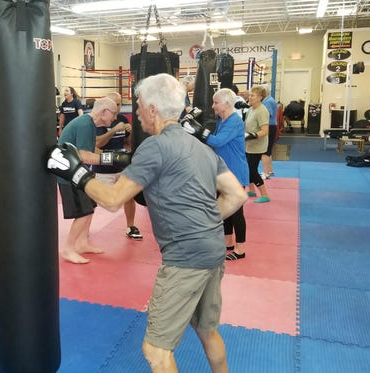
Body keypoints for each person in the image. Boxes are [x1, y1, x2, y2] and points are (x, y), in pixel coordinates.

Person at [46, 73, 247, 372]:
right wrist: (204, 225)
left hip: (186, 259)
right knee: (207, 331)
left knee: (155, 349)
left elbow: (113, 200)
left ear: (153, 108)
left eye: (138, 105)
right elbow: (236, 196)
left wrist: (77, 173)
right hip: (213, 251)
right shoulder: (203, 149)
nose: (135, 112)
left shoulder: (154, 146)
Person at [56, 97, 131, 264]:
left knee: (90, 207)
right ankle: (68, 249)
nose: (114, 118)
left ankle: (82, 243)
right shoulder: (85, 124)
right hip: (68, 174)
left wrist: (115, 155)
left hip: (78, 172)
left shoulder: (90, 125)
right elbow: (83, 155)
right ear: (104, 112)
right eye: (113, 114)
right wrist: (112, 159)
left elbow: (91, 149)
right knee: (83, 212)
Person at [206, 88, 250, 261]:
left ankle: (241, 249)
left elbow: (218, 141)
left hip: (235, 171)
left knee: (237, 211)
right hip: (222, 171)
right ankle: (227, 242)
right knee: (225, 207)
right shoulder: (222, 120)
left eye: (216, 102)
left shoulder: (234, 121)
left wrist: (199, 132)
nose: (213, 105)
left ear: (225, 103)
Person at [92, 92, 142, 240]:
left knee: (129, 196)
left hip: (121, 166)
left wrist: (132, 132)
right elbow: (96, 144)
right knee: (95, 199)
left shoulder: (121, 119)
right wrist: (113, 130)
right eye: (115, 104)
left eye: (120, 104)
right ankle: (84, 226)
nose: (118, 107)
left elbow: (127, 144)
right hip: (103, 168)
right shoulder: (97, 121)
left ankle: (130, 225)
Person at [245, 85, 271, 203]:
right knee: (247, 168)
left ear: (260, 97)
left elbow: (265, 131)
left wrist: (252, 135)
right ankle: (252, 190)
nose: (250, 97)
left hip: (257, 146)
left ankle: (265, 195)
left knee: (252, 170)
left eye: (253, 95)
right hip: (248, 144)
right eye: (249, 95)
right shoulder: (250, 109)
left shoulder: (262, 111)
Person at [260, 86, 279, 179]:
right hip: (271, 126)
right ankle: (270, 170)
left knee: (265, 151)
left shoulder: (268, 101)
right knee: (268, 150)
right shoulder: (269, 100)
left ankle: (266, 172)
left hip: (269, 126)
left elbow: (266, 114)